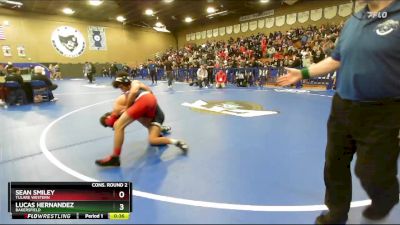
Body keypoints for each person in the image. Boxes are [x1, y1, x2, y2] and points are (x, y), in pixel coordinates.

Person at [277, 1, 400, 224]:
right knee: (334, 165)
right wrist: (303, 73)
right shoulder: (354, 20)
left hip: (383, 110)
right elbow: (336, 59)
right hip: (342, 106)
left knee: (371, 172)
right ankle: (336, 214)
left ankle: (387, 196)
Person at [95, 72, 188, 166]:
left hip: (146, 101)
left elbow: (134, 92)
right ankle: (168, 137)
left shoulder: (132, 86)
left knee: (118, 125)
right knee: (151, 137)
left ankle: (115, 157)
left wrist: (125, 109)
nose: (121, 90)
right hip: (151, 103)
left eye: (121, 87)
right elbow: (149, 93)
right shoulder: (132, 89)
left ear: (124, 83)